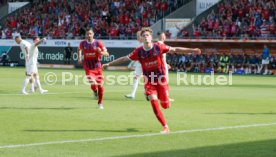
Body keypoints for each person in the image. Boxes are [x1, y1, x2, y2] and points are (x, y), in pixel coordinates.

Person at [102, 27, 201, 133]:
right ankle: (165, 126)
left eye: (147, 35)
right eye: (143, 35)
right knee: (154, 103)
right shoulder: (138, 51)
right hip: (149, 81)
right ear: (141, 38)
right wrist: (109, 64)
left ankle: (165, 97)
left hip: (161, 79)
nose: (146, 37)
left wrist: (192, 50)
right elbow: (124, 59)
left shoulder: (159, 46)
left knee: (165, 106)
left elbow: (175, 49)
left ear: (151, 37)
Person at [78, 29, 109, 109]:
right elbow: (79, 50)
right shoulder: (82, 43)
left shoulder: (98, 43)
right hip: (88, 66)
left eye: (90, 34)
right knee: (92, 82)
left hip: (97, 66)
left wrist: (100, 52)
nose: (89, 35)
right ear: (85, 35)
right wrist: (79, 58)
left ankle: (100, 103)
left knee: (100, 85)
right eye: (87, 34)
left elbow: (107, 54)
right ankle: (95, 91)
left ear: (93, 34)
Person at [125, 31, 143, 99]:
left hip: (146, 64)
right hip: (139, 64)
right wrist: (132, 63)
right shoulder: (138, 45)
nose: (138, 38)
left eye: (139, 36)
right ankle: (132, 94)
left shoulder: (145, 44)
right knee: (136, 78)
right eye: (137, 36)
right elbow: (135, 56)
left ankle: (150, 92)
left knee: (151, 79)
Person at [157, 32, 174, 102]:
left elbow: (161, 57)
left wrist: (166, 63)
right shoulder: (158, 45)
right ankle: (165, 97)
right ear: (159, 37)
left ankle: (160, 96)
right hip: (161, 67)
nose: (162, 37)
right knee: (164, 82)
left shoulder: (162, 45)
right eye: (161, 36)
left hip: (163, 65)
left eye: (163, 36)